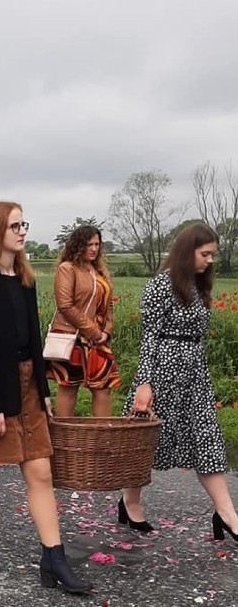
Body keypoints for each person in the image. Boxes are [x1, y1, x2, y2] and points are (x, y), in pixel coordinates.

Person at [0, 201, 91, 594]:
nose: (22, 231)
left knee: (40, 472)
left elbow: (33, 339)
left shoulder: (24, 279)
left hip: (28, 387)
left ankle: (54, 558)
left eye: (23, 224)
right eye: (14, 225)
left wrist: (44, 391)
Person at [121, 223, 238, 542]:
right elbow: (148, 337)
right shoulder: (161, 285)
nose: (210, 260)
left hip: (194, 376)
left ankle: (227, 514)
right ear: (187, 252)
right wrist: (145, 382)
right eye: (205, 254)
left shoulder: (199, 285)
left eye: (213, 254)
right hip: (161, 374)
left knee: (208, 439)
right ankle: (129, 501)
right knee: (145, 443)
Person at [46, 226, 120, 418]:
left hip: (98, 339)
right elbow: (65, 305)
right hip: (73, 336)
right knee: (69, 386)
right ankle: (65, 438)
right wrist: (93, 331)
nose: (94, 248)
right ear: (79, 246)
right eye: (89, 244)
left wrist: (107, 330)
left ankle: (102, 439)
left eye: (97, 244)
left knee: (103, 386)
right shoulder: (68, 268)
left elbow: (108, 305)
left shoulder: (99, 271)